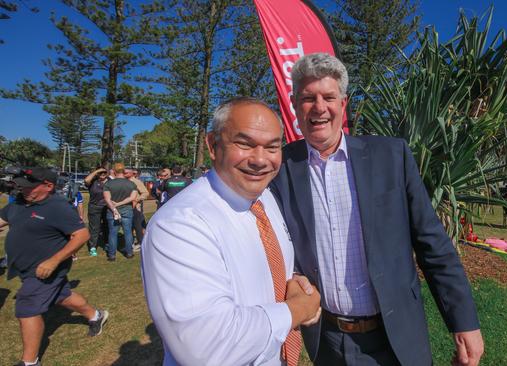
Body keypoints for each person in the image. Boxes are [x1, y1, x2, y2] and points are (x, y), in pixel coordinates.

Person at [271, 53, 483, 366]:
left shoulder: (391, 156)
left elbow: (433, 245)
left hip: (395, 334)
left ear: (343, 104)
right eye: (307, 98)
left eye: (328, 97)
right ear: (293, 103)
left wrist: (464, 321)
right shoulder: (280, 168)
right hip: (327, 341)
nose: (319, 107)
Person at [141, 97, 321, 365]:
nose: (260, 160)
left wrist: (293, 280)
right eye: (245, 144)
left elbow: (263, 266)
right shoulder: (180, 224)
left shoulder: (266, 199)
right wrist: (296, 309)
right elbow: (208, 347)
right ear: (213, 146)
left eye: (272, 147)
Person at [0, 167, 109, 366]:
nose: (24, 191)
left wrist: (54, 260)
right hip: (25, 268)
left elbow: (81, 235)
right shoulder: (20, 202)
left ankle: (30, 362)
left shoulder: (57, 206)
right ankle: (96, 315)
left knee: (27, 306)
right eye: (22, 187)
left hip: (46, 269)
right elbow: (3, 219)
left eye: (29, 187)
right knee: (62, 296)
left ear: (48, 186)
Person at [103, 163, 137, 261]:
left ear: (114, 171)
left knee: (113, 233)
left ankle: (112, 255)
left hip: (112, 210)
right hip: (127, 209)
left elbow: (107, 199)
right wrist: (120, 203)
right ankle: (129, 253)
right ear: (124, 171)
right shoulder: (131, 184)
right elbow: (132, 198)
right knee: (128, 232)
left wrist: (115, 207)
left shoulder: (108, 184)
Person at [84, 167, 110, 257]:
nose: (102, 174)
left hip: (107, 207)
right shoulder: (93, 181)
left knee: (107, 226)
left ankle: (107, 244)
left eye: (104, 172)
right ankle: (92, 247)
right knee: (94, 228)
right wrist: (97, 171)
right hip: (94, 208)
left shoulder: (110, 181)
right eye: (100, 173)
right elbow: (86, 180)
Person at [124, 167, 149, 250]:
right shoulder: (123, 181)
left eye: (127, 173)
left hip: (135, 207)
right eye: (124, 172)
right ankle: (129, 243)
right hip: (125, 206)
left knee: (138, 226)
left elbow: (145, 193)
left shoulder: (137, 182)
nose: (125, 174)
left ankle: (140, 243)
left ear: (131, 173)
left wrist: (137, 199)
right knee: (128, 226)